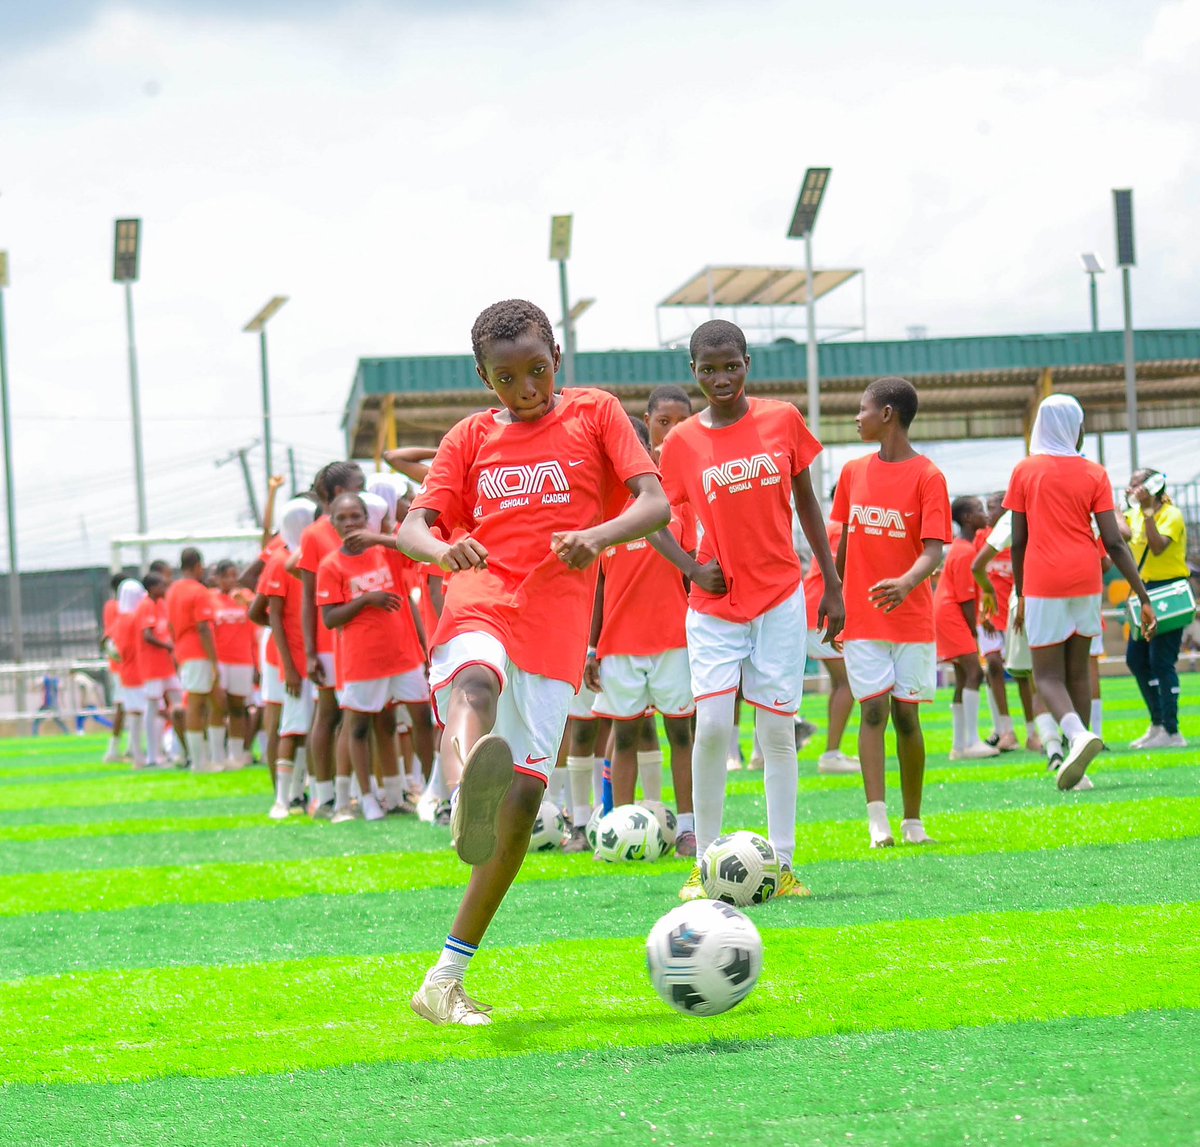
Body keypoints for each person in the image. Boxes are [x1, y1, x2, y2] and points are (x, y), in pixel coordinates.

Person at [395, 298, 669, 1027]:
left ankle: (442, 981)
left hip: (555, 624)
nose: (525, 389)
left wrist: (599, 534)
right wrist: (443, 549)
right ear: (483, 377)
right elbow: (413, 526)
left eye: (537, 371)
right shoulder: (467, 437)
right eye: (507, 377)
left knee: (521, 808)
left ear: (558, 357)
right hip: (481, 593)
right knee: (475, 681)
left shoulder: (597, 412)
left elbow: (654, 503)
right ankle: (461, 799)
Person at [653, 318, 844, 899]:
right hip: (713, 606)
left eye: (730, 365)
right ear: (694, 372)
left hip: (782, 597)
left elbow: (808, 503)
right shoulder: (682, 441)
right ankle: (704, 867)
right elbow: (653, 517)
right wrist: (691, 567)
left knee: (777, 733)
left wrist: (831, 583)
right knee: (711, 727)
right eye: (708, 369)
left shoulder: (782, 419)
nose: (721, 377)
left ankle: (782, 866)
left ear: (747, 363)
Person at [1005, 394, 1156, 789]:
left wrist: (1021, 593)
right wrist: (1142, 595)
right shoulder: (1094, 472)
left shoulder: (1024, 470)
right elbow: (1114, 541)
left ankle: (1076, 736)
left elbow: (1018, 541)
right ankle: (1080, 767)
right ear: (1073, 427)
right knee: (1078, 673)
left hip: (1043, 580)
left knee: (1046, 675)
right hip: (1086, 578)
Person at [833, 376, 951, 848]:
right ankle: (877, 818)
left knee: (907, 718)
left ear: (887, 415)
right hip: (862, 618)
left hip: (911, 618)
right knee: (874, 710)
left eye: (862, 409)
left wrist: (906, 583)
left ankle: (914, 820)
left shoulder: (928, 476)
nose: (856, 417)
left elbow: (935, 549)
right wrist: (834, 599)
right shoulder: (852, 472)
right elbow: (841, 545)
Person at [587, 417, 697, 857]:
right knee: (625, 737)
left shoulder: (675, 507)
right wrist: (591, 646)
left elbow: (692, 571)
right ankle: (619, 827)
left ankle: (689, 828)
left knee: (681, 736)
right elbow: (595, 587)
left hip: (674, 641)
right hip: (618, 646)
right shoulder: (599, 515)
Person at [319, 491, 430, 821]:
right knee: (358, 728)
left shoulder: (385, 550)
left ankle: (433, 790)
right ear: (333, 523)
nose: (350, 522)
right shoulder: (331, 565)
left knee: (422, 720)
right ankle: (366, 797)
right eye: (343, 517)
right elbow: (330, 618)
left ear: (367, 517)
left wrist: (378, 537)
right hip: (363, 661)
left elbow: (413, 548)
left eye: (356, 515)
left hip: (402, 654)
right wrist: (367, 600)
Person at [297, 462, 366, 815]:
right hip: (329, 640)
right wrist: (309, 651)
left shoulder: (366, 526)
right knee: (328, 715)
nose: (363, 489)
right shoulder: (314, 535)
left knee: (356, 718)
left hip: (358, 640)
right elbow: (308, 598)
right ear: (339, 492)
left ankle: (349, 793)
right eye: (359, 484)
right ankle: (322, 796)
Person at [1120, 467, 1190, 748]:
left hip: (1169, 590)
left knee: (1162, 660)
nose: (1131, 488)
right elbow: (1121, 535)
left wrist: (1149, 513)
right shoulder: (1133, 514)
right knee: (1136, 659)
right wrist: (1114, 510)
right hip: (1144, 590)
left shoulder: (1171, 514)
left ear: (1152, 486)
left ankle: (1172, 732)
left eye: (1136, 484)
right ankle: (1157, 723)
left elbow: (1158, 546)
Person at [971, 493, 1039, 753]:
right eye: (986, 507)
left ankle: (1033, 732)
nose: (989, 512)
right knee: (995, 667)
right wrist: (983, 611)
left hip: (1014, 613)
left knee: (1023, 672)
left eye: (994, 507)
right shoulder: (982, 539)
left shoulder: (1018, 537)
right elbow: (976, 575)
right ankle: (1005, 730)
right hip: (988, 615)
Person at [263, 497, 317, 819]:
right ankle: (282, 799)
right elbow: (273, 618)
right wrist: (290, 667)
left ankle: (299, 793)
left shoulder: (311, 558)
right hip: (296, 661)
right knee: (292, 728)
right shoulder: (280, 560)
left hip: (316, 658)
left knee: (310, 728)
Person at [934, 496, 999, 761]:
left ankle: (960, 744)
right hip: (952, 616)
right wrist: (974, 629)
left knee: (964, 676)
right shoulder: (964, 552)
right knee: (975, 672)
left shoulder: (961, 548)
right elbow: (964, 598)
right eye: (980, 510)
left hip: (948, 614)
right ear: (969, 519)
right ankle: (970, 741)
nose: (985, 514)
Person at [802, 489, 859, 775]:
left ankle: (832, 752)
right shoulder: (840, 528)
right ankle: (831, 754)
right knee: (847, 682)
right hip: (822, 610)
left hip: (816, 609)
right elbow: (841, 570)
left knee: (842, 683)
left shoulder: (837, 527)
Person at [165, 548, 224, 773]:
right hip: (198, 652)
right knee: (198, 704)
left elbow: (170, 625)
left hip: (183, 650)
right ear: (198, 566)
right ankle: (200, 762)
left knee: (212, 702)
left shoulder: (172, 591)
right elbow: (203, 628)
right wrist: (214, 662)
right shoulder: (199, 591)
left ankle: (211, 758)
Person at [211, 559, 256, 767]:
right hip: (220, 661)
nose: (231, 580)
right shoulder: (210, 598)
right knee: (219, 707)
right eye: (226, 575)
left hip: (242, 660)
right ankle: (217, 756)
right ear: (218, 578)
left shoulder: (245, 596)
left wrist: (246, 603)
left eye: (233, 575)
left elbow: (261, 613)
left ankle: (236, 755)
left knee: (239, 708)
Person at [136, 572, 176, 767]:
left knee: (178, 700)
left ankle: (176, 749)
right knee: (152, 708)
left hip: (166, 665)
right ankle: (152, 755)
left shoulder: (161, 604)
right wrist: (168, 646)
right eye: (161, 585)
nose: (164, 588)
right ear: (152, 588)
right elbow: (147, 635)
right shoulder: (146, 605)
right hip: (152, 666)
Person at [112, 578, 150, 767]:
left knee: (136, 715)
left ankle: (138, 755)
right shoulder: (134, 619)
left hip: (127, 672)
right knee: (143, 714)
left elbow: (113, 648)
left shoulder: (120, 619)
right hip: (140, 672)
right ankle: (142, 756)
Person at [101, 574, 126, 762]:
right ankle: (113, 749)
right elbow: (111, 637)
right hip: (122, 664)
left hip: (121, 663)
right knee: (123, 706)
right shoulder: (116, 607)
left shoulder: (111, 606)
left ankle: (126, 747)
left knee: (129, 706)